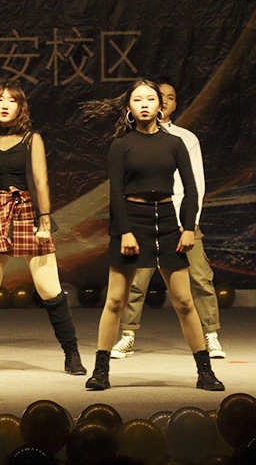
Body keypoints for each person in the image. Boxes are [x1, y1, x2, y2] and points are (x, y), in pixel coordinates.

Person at [86, 79, 224, 391]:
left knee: (184, 301)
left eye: (151, 99)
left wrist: (188, 227)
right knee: (116, 299)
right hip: (131, 220)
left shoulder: (175, 143)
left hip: (167, 221)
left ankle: (205, 372)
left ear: (161, 106)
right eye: (138, 100)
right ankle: (101, 370)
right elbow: (115, 193)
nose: (145, 104)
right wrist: (125, 231)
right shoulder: (121, 145)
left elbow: (191, 190)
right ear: (129, 108)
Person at [0, 79, 85, 376]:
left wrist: (44, 222)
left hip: (27, 209)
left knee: (49, 288)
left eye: (11, 100)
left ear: (20, 107)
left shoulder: (31, 139)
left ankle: (72, 355)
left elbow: (41, 181)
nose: (5, 105)